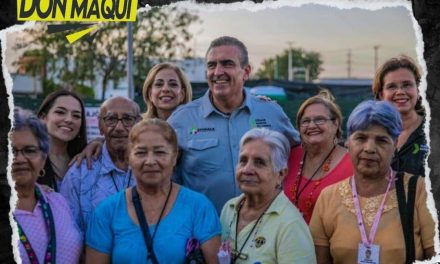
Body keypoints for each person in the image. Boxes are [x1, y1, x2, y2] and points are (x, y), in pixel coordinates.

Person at [168, 36, 300, 213]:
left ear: (246, 72)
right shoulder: (182, 119)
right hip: (205, 231)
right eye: (211, 65)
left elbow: (300, 156)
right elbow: (166, 176)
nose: (217, 72)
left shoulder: (271, 113)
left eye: (227, 64)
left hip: (262, 230)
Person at [309, 100, 435, 264]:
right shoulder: (328, 198)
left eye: (381, 140)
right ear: (347, 142)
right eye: (360, 138)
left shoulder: (420, 191)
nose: (369, 148)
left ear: (395, 144)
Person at [86, 119, 221, 263]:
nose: (150, 161)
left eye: (160, 152)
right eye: (141, 153)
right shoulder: (107, 212)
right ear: (129, 159)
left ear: (174, 157)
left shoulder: (199, 207)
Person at [220, 128, 315, 263]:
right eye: (243, 160)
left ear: (281, 174)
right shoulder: (229, 208)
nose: (247, 169)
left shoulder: (290, 225)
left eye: (259, 162)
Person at [11, 108, 82, 264]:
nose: (20, 159)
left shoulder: (58, 202)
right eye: (10, 151)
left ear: (43, 159)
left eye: (30, 150)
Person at [60, 96, 140, 232]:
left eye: (127, 119)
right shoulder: (79, 173)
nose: (119, 127)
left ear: (139, 123)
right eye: (111, 119)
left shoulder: (150, 167)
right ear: (100, 126)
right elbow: (68, 231)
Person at [283, 89, 353, 223]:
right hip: (288, 241)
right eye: (305, 121)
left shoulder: (351, 163)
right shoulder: (290, 156)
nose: (311, 125)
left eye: (319, 120)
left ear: (336, 123)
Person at [372, 55, 428, 176]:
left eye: (407, 85)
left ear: (418, 90)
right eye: (391, 86)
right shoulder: (369, 134)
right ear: (381, 95)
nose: (400, 92)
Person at [37, 89, 87, 191]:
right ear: (43, 117)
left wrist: (98, 142)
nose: (69, 119)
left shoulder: (87, 160)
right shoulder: (25, 158)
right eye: (60, 112)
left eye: (76, 116)